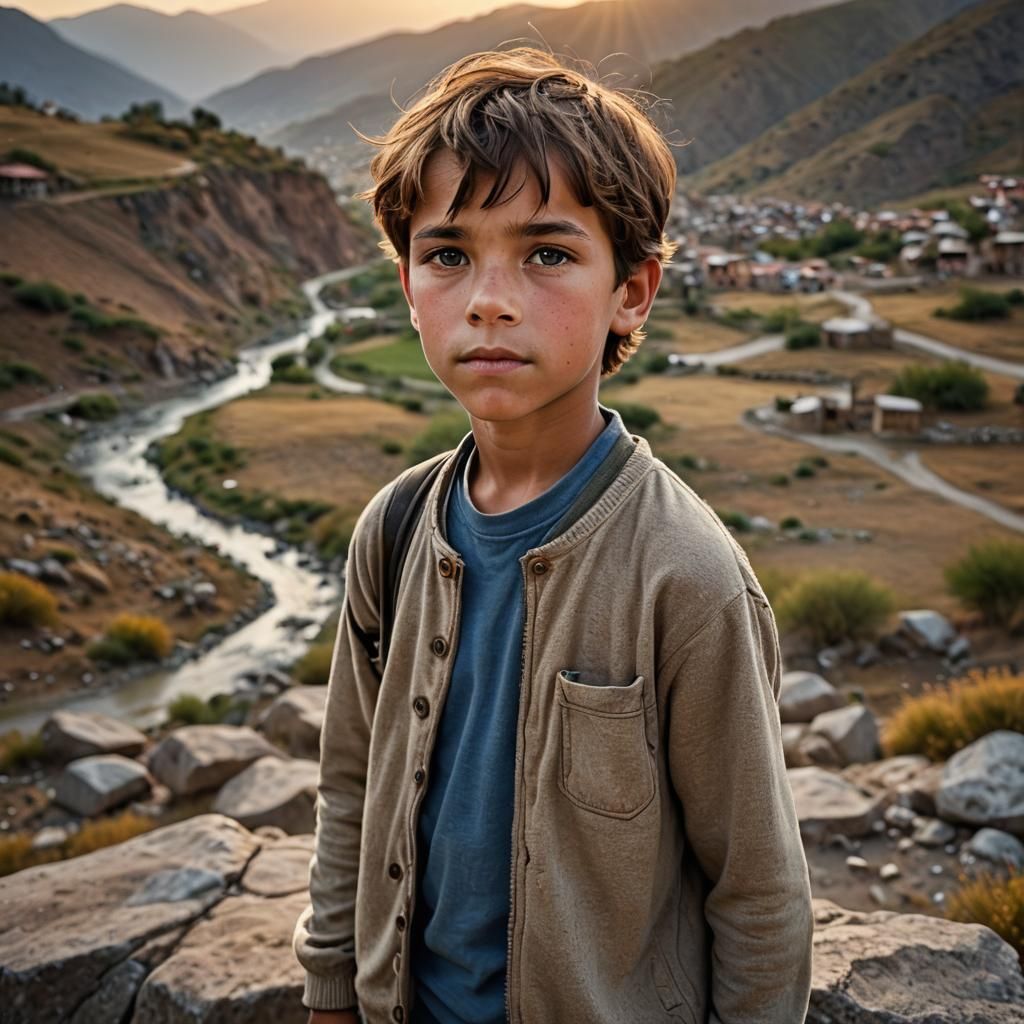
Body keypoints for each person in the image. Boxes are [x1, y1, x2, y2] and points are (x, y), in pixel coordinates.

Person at [293, 46, 813, 1024]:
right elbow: (350, 786)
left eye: (546, 252)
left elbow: (759, 892)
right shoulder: (397, 528)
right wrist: (331, 989)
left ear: (632, 291)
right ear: (408, 285)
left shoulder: (685, 576)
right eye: (448, 254)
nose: (489, 297)